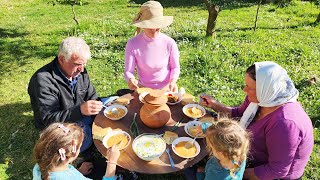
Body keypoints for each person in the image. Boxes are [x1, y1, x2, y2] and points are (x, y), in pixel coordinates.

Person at [200, 61, 314, 180]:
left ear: (265, 89)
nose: (244, 90)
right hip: (248, 154)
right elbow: (239, 114)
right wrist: (214, 104)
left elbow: (276, 170)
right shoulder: (262, 97)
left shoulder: (285, 124)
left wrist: (229, 173)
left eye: (250, 87)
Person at [28, 37, 103, 153]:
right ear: (62, 59)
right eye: (77, 64)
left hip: (80, 114)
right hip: (60, 126)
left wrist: (99, 106)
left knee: (112, 103)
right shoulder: (42, 81)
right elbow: (48, 119)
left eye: (83, 64)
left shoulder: (79, 71)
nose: (82, 69)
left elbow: (91, 95)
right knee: (85, 136)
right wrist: (80, 111)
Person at [124, 1, 180, 92]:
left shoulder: (169, 43)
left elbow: (175, 67)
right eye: (150, 26)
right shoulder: (132, 44)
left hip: (166, 88)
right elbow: (128, 71)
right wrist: (131, 79)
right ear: (143, 25)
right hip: (143, 88)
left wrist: (173, 81)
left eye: (157, 25)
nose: (154, 29)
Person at [33, 123, 120, 180]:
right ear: (73, 152)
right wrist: (112, 162)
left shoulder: (40, 166)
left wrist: (79, 172)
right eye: (80, 146)